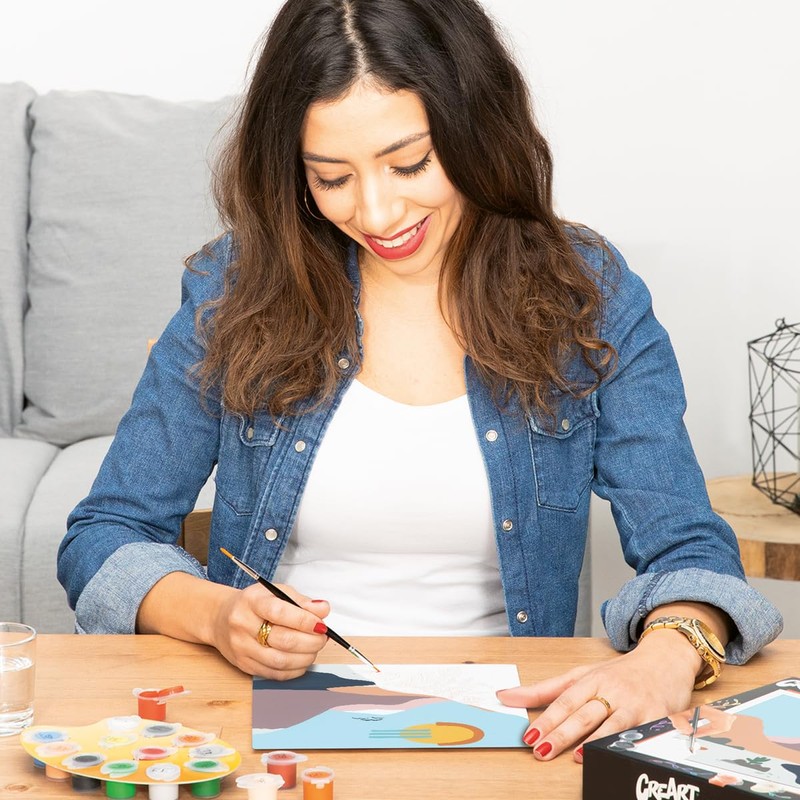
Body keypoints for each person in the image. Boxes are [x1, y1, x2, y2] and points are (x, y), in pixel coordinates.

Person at [57, 0, 782, 764]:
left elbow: (688, 545)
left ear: (476, 129)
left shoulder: (587, 295)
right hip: (277, 735)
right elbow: (106, 533)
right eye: (331, 178)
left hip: (512, 736)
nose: (377, 212)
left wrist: (666, 656)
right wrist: (214, 614)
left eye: (409, 165)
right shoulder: (235, 288)